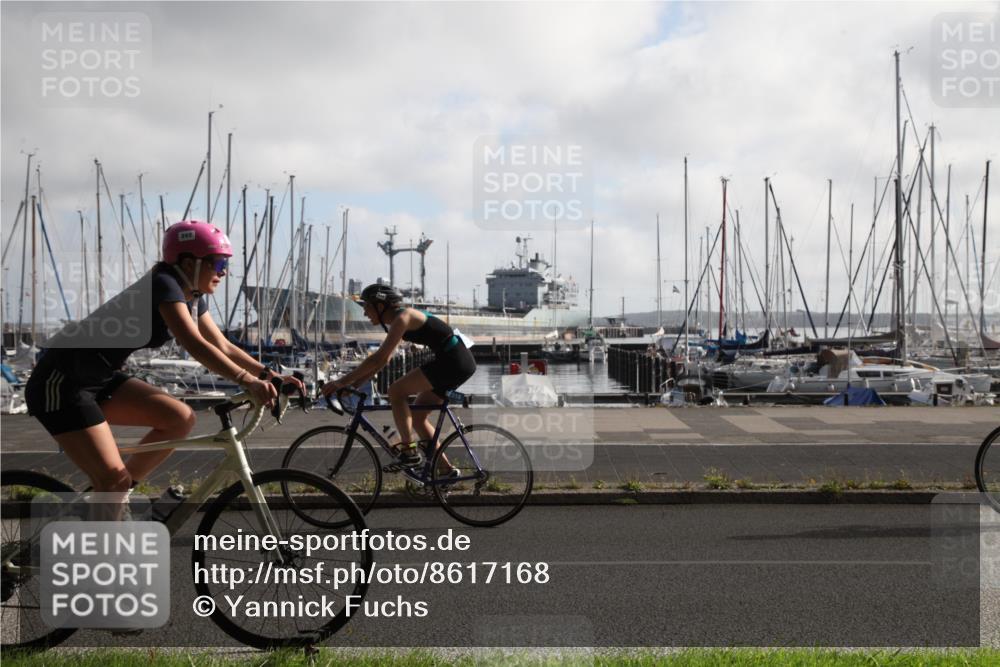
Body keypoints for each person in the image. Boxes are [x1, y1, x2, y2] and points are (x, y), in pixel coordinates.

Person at [24, 220, 304, 499]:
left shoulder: (191, 295)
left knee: (179, 419)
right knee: (113, 481)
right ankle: (110, 503)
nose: (224, 273)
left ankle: (110, 500)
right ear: (188, 262)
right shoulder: (164, 285)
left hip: (99, 378)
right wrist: (247, 381)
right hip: (62, 382)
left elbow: (221, 344)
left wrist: (269, 376)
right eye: (218, 264)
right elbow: (194, 343)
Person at [322, 283, 476, 470]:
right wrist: (356, 384)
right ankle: (447, 471)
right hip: (455, 361)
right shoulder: (399, 320)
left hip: (452, 361)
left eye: (366, 307)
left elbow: (379, 358)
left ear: (380, 306)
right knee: (417, 416)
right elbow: (382, 362)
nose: (364, 313)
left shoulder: (403, 318)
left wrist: (341, 381)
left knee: (396, 391)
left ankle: (409, 451)